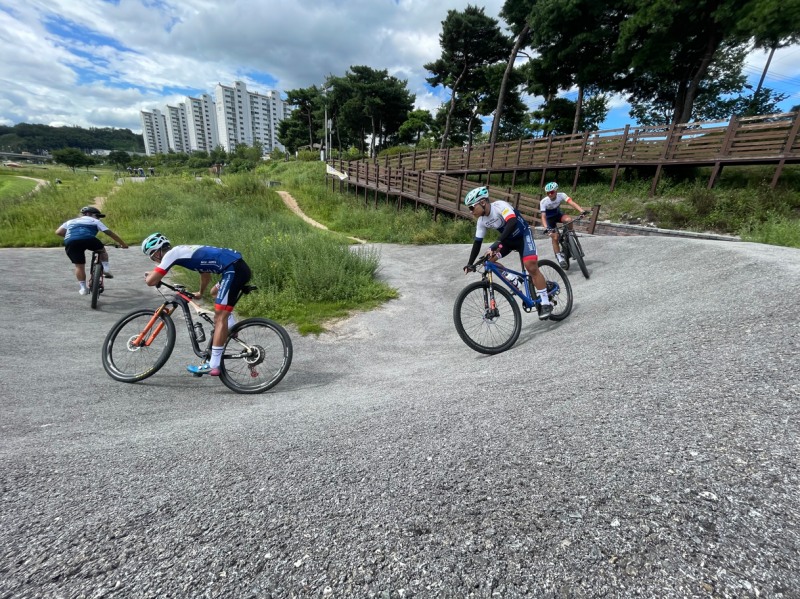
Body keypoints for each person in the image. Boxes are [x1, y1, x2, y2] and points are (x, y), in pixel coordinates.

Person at [141, 233, 251, 377]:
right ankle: (231, 327)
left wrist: (150, 275)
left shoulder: (172, 254)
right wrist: (200, 292)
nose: (154, 259)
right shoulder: (184, 251)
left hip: (233, 270)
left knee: (219, 317)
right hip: (237, 268)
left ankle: (214, 365)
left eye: (153, 255)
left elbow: (151, 281)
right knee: (214, 292)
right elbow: (206, 275)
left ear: (159, 250)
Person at [462, 186, 553, 320]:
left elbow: (512, 222)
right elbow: (477, 242)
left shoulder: (499, 206)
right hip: (508, 241)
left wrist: (496, 243)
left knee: (530, 266)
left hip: (523, 236)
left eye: (471, 207)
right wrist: (470, 264)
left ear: (482, 202)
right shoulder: (481, 221)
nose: (471, 212)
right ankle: (514, 279)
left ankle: (545, 303)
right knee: (488, 261)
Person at [55, 206, 128, 295]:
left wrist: (73, 236)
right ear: (90, 214)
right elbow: (110, 233)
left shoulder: (70, 221)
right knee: (102, 250)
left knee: (79, 266)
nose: (98, 218)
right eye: (97, 216)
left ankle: (83, 288)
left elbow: (58, 232)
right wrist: (123, 244)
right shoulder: (95, 221)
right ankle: (106, 269)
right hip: (89, 239)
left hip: (71, 241)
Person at [540, 182, 588, 268]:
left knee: (569, 220)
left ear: (556, 191)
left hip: (558, 215)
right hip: (549, 220)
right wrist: (546, 227)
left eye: (551, 192)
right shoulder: (544, 202)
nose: (550, 194)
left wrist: (582, 211)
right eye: (547, 193)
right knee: (555, 237)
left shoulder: (561, 195)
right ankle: (559, 257)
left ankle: (569, 235)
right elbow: (543, 217)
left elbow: (572, 203)